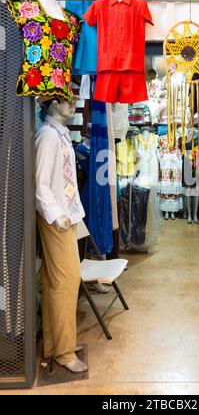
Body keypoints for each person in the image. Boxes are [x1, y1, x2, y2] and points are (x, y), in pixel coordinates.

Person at [36, 95, 88, 373]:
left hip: (65, 216)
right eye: (66, 99)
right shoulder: (47, 136)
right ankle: (64, 351)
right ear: (52, 103)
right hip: (56, 219)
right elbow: (40, 183)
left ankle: (57, 344)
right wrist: (56, 216)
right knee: (68, 280)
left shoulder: (59, 134)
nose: (72, 103)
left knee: (57, 281)